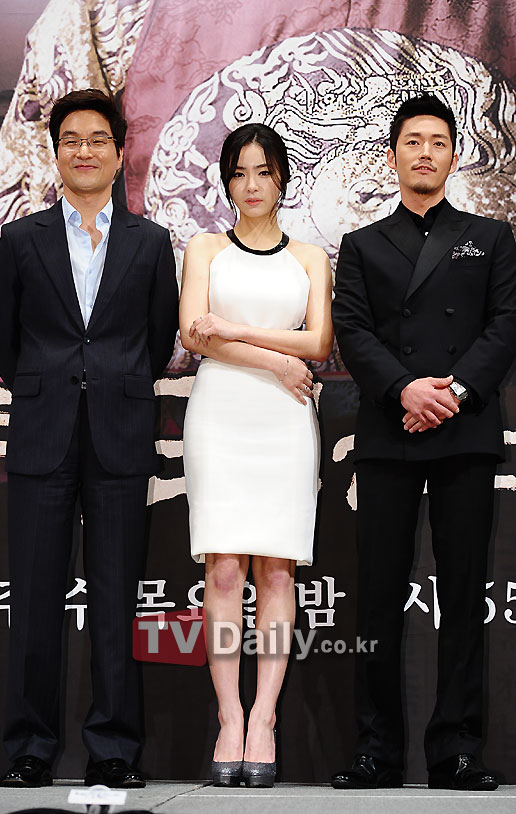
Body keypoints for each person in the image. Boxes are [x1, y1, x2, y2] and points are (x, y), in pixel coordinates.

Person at [0, 89, 178, 789]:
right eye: (72, 139)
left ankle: (114, 749)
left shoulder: (150, 243)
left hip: (120, 434)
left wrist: (112, 383)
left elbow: (157, 339)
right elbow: (3, 339)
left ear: (120, 153)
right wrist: (50, 385)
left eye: (99, 139)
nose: (85, 150)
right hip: (43, 434)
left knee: (115, 597)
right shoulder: (22, 239)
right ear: (56, 152)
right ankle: (30, 748)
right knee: (35, 598)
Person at [331, 93, 516, 791]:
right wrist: (406, 390)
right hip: (390, 431)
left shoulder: (490, 237)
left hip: (464, 431)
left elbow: (506, 323)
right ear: (392, 155)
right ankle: (375, 750)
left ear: (454, 157)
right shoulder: (362, 244)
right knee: (378, 594)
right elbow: (353, 331)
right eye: (413, 141)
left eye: (438, 142)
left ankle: (457, 750)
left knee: (464, 595)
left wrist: (453, 392)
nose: (426, 153)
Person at [179, 123, 333, 787]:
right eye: (239, 173)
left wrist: (234, 330)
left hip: (284, 421)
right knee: (222, 571)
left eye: (263, 172)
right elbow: (194, 334)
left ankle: (265, 716)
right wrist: (275, 359)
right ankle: (229, 716)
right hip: (220, 415)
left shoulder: (310, 257)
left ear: (283, 180)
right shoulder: (206, 248)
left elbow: (319, 344)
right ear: (225, 182)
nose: (251, 185)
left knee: (276, 572)